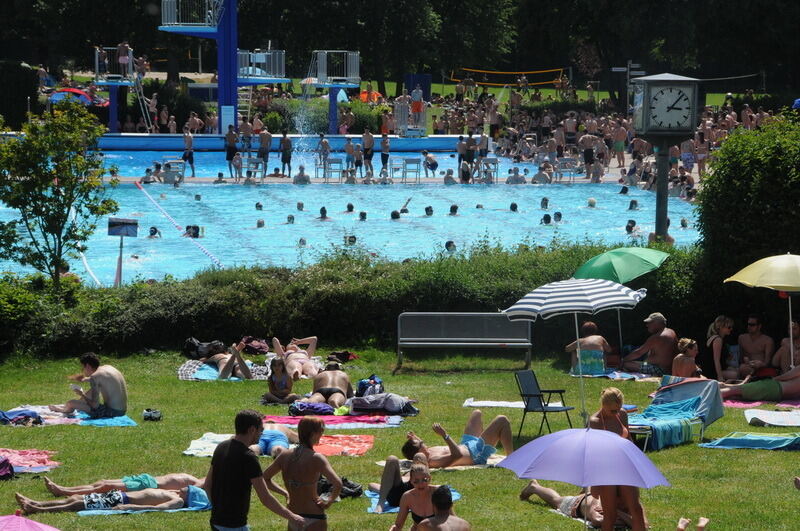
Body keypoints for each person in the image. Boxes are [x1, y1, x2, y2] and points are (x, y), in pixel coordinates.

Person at [206, 410, 306, 530]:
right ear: (252, 430)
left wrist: (217, 509)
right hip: (234, 526)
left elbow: (207, 484)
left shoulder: (221, 447)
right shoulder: (248, 457)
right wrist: (292, 517)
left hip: (216, 522)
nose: (261, 434)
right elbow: (265, 498)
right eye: (261, 430)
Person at [263, 417, 342, 529]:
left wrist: (285, 493)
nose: (321, 435)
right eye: (321, 432)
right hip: (314, 515)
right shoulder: (316, 458)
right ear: (314, 434)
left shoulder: (284, 456)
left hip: (293, 516)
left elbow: (265, 478)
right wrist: (329, 501)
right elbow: (338, 484)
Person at [588, 388, 647, 531]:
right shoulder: (595, 422)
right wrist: (594, 482)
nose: (616, 413)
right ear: (603, 405)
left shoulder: (622, 414)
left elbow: (629, 440)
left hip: (625, 466)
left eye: (618, 409)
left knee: (636, 510)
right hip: (606, 471)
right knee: (610, 515)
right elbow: (592, 454)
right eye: (612, 411)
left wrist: (637, 461)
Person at [401, 410, 514, 468]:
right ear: (419, 452)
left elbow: (418, 446)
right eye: (421, 444)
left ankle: (491, 441)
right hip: (476, 453)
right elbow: (457, 456)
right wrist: (445, 435)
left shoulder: (428, 451)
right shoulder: (433, 460)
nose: (424, 443)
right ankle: (513, 459)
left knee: (477, 413)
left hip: (466, 444)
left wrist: (414, 437)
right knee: (502, 420)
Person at [15, 485, 209, 514]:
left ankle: (38, 510)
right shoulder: (176, 493)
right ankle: (36, 503)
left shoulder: (178, 502)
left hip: (121, 500)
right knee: (76, 497)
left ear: (190, 496)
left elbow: (158, 508)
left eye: (188, 489)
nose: (185, 487)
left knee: (77, 504)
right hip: (119, 495)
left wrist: (130, 507)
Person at [519, 480, 634, 529]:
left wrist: (618, 513)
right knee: (556, 500)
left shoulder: (628, 501)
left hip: (589, 498)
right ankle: (534, 487)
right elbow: (598, 521)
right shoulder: (599, 506)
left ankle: (588, 486)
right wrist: (625, 518)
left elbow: (644, 523)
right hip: (577, 504)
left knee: (589, 494)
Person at [49, 352, 127, 418]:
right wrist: (84, 379)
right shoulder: (108, 367)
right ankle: (71, 407)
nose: (82, 370)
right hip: (122, 410)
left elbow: (95, 406)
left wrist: (82, 394)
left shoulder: (95, 377)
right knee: (92, 390)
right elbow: (105, 380)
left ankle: (66, 409)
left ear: (87, 366)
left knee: (71, 402)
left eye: (82, 368)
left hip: (113, 413)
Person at [42, 473, 204, 496]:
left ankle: (64, 492)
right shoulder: (203, 478)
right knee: (103, 483)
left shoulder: (201, 486)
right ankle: (65, 489)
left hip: (147, 486)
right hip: (146, 479)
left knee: (104, 488)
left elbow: (184, 492)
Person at [390, 462, 440, 531]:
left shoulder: (438, 493)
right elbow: (398, 525)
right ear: (411, 481)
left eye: (424, 480)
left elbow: (452, 519)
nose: (421, 484)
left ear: (430, 478)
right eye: (416, 481)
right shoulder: (407, 497)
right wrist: (393, 528)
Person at [700, 315, 738, 382]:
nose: (731, 329)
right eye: (729, 327)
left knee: (737, 370)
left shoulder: (715, 338)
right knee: (735, 375)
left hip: (713, 369)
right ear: (721, 327)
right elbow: (716, 360)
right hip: (711, 372)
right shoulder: (718, 339)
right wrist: (720, 377)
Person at [738, 314, 776, 378]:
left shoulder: (767, 340)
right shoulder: (742, 338)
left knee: (743, 368)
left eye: (752, 325)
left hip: (761, 369)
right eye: (748, 324)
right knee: (742, 367)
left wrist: (760, 364)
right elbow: (740, 358)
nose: (749, 326)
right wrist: (746, 361)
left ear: (759, 326)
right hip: (747, 367)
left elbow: (768, 362)